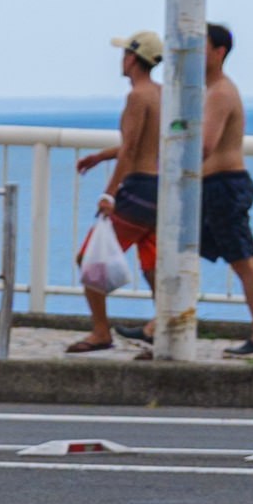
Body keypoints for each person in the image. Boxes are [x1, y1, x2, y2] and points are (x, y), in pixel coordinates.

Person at [72, 37, 164, 351]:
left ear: (132, 59)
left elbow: (132, 149)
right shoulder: (162, 93)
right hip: (159, 189)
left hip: (137, 189)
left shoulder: (137, 96)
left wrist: (109, 194)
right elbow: (148, 143)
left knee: (90, 258)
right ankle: (162, 329)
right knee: (152, 265)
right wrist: (101, 156)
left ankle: (101, 332)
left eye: (124, 53)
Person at [201, 23, 253, 356]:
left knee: (243, 260)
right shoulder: (209, 90)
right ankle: (157, 325)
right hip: (213, 185)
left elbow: (205, 145)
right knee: (175, 250)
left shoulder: (220, 92)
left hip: (224, 185)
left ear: (219, 52)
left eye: (201, 46)